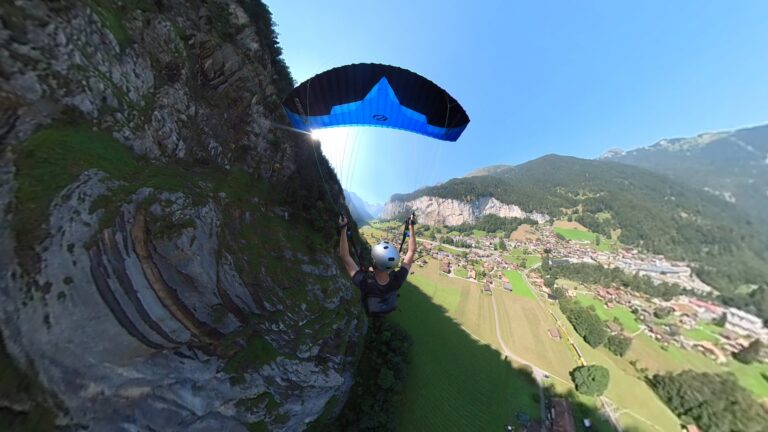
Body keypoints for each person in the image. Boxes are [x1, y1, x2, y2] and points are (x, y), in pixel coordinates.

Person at [338, 214, 416, 315]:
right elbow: (411, 251)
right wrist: (411, 226)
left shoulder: (364, 282)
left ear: (373, 263)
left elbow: (345, 256)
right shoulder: (397, 280)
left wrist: (343, 228)